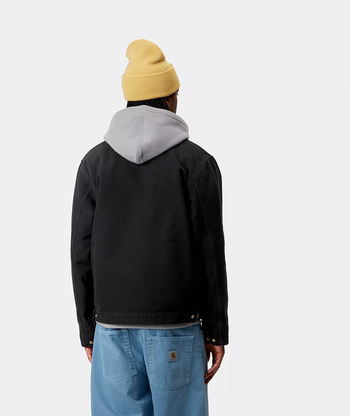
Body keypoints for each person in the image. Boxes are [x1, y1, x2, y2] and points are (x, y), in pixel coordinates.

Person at [70, 38, 229, 416]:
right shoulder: (196, 163)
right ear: (170, 98)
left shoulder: (94, 164)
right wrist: (216, 330)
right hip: (177, 327)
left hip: (111, 328)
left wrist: (88, 329)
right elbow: (210, 252)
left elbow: (81, 252)